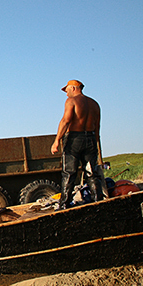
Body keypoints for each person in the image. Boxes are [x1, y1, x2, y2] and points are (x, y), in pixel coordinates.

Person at [51, 80, 104, 210]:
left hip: (75, 138)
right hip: (90, 138)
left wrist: (57, 140)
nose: (66, 93)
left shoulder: (71, 101)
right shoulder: (94, 104)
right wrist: (96, 143)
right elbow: (97, 127)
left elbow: (65, 121)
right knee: (91, 172)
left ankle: (64, 205)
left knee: (69, 173)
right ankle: (98, 202)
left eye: (67, 90)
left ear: (74, 88)